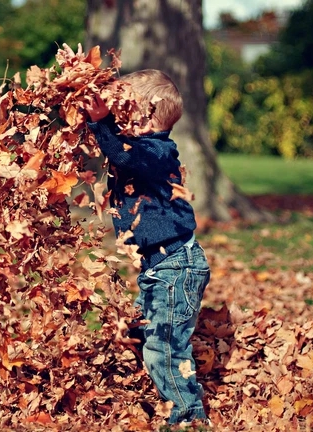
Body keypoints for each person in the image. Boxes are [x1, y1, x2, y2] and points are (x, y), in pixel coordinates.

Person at [83, 69, 211, 425]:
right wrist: (92, 120)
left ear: (144, 116)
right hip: (160, 268)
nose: (116, 118)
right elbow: (116, 150)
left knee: (165, 349)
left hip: (176, 268)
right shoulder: (140, 148)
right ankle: (154, 390)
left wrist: (101, 123)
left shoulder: (157, 152)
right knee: (139, 330)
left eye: (123, 112)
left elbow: (124, 157)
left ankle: (188, 417)